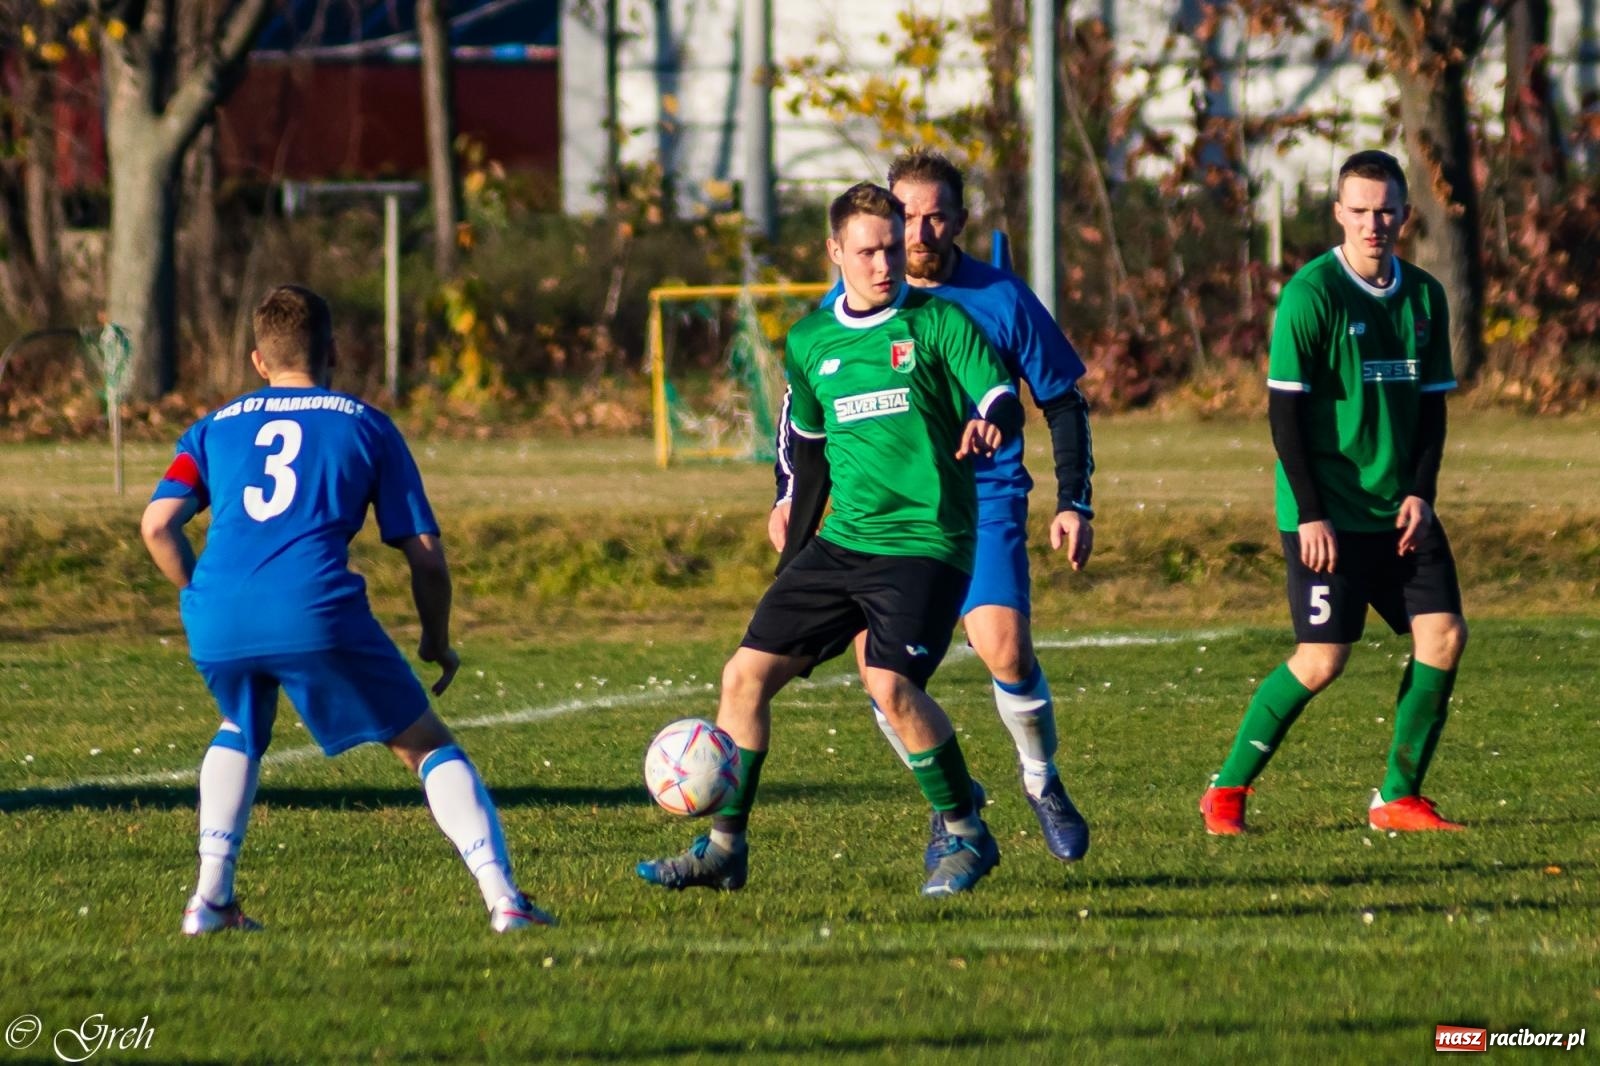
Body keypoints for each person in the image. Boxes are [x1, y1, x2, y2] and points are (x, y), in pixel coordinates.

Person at [637, 182, 1025, 896]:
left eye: (893, 247)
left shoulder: (939, 324)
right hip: (842, 542)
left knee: (889, 684)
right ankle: (725, 847)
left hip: (926, 541)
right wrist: (791, 543)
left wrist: (992, 419)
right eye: (870, 251)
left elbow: (998, 392)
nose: (887, 264)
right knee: (743, 677)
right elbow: (808, 451)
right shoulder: (812, 342)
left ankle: (966, 833)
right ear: (836, 253)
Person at [140, 285, 554, 933]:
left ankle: (211, 900)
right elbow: (426, 558)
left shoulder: (212, 426)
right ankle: (505, 900)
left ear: (257, 360)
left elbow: (158, 525)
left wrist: (197, 597)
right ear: (333, 350)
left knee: (240, 725)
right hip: (313, 607)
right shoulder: (364, 423)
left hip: (218, 609)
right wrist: (435, 640)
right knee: (424, 745)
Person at [770, 150, 1095, 866]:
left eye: (936, 214)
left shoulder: (1000, 297)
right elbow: (803, 415)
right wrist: (788, 495)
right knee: (886, 683)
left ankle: (1042, 781)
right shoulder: (849, 302)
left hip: (983, 497)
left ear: (961, 219)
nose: (919, 230)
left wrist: (1075, 500)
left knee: (1005, 647)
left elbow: (1063, 400)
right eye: (906, 214)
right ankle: (953, 809)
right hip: (882, 519)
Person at [1199, 150, 1469, 835]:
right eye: (1360, 209)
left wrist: (1421, 493)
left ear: (1406, 215)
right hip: (1328, 514)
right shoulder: (1311, 295)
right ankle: (1227, 791)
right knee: (1322, 660)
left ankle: (1397, 798)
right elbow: (1284, 413)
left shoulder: (1425, 298)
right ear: (1338, 214)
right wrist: (1311, 515)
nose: (1373, 222)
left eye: (1386, 209)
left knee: (1443, 638)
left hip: (1401, 511)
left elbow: (1433, 409)